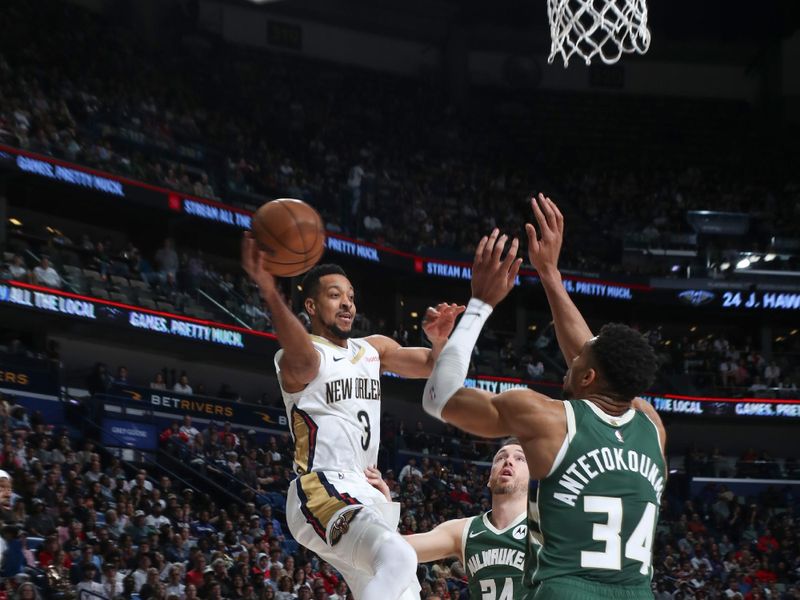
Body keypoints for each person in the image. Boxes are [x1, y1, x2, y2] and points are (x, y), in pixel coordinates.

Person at [421, 196, 666, 600]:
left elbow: (438, 398)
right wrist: (549, 273)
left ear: (586, 376)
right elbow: (593, 359)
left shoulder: (544, 416)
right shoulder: (651, 427)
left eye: (576, 361)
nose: (568, 357)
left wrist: (480, 304)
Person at [241, 231, 464, 600]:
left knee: (403, 592)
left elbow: (431, 365)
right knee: (399, 557)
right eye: (334, 296)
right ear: (310, 307)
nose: (347, 304)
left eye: (350, 297)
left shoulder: (372, 349)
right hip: (323, 488)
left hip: (367, 490)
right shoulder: (304, 356)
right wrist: (268, 288)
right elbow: (296, 344)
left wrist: (439, 342)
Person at [367, 440, 530, 599]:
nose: (508, 461)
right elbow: (398, 548)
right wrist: (385, 503)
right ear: (489, 478)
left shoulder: (546, 528)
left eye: (519, 458)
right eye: (501, 458)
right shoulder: (463, 530)